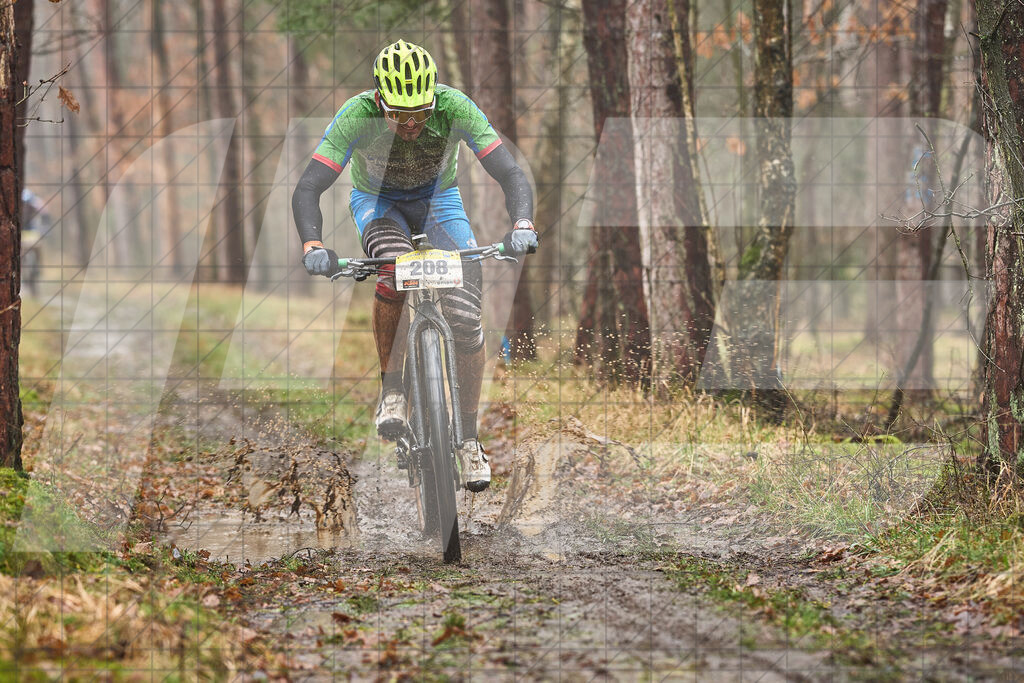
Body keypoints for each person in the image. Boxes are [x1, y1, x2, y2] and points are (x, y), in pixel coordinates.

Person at [292, 39, 538, 493]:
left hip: (438, 203)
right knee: (393, 267)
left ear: (433, 101)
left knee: (466, 322)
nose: (410, 124)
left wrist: (522, 223)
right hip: (379, 203)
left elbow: (509, 172)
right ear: (379, 100)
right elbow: (309, 187)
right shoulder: (355, 115)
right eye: (399, 114)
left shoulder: (455, 108)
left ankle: (467, 440)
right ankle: (393, 392)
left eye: (420, 114)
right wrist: (313, 245)